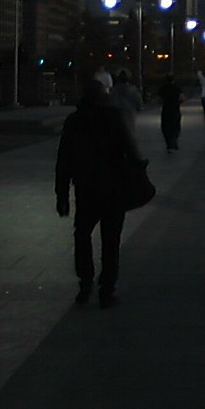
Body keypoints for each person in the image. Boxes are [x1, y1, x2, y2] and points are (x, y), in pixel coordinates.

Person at [55, 78, 144, 308]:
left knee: (82, 235)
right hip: (113, 188)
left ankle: (85, 283)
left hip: (86, 189)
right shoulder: (113, 118)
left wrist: (62, 195)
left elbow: (64, 161)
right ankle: (107, 288)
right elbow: (131, 150)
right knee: (111, 240)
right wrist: (138, 174)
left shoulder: (74, 121)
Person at [109, 70, 142, 135]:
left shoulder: (114, 90)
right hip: (129, 114)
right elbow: (138, 102)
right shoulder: (133, 89)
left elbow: (110, 102)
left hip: (117, 115)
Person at [158, 73, 184, 152]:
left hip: (166, 109)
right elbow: (181, 98)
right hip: (175, 109)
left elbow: (159, 99)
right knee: (175, 126)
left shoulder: (163, 88)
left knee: (166, 126)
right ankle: (174, 140)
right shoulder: (177, 88)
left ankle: (169, 143)